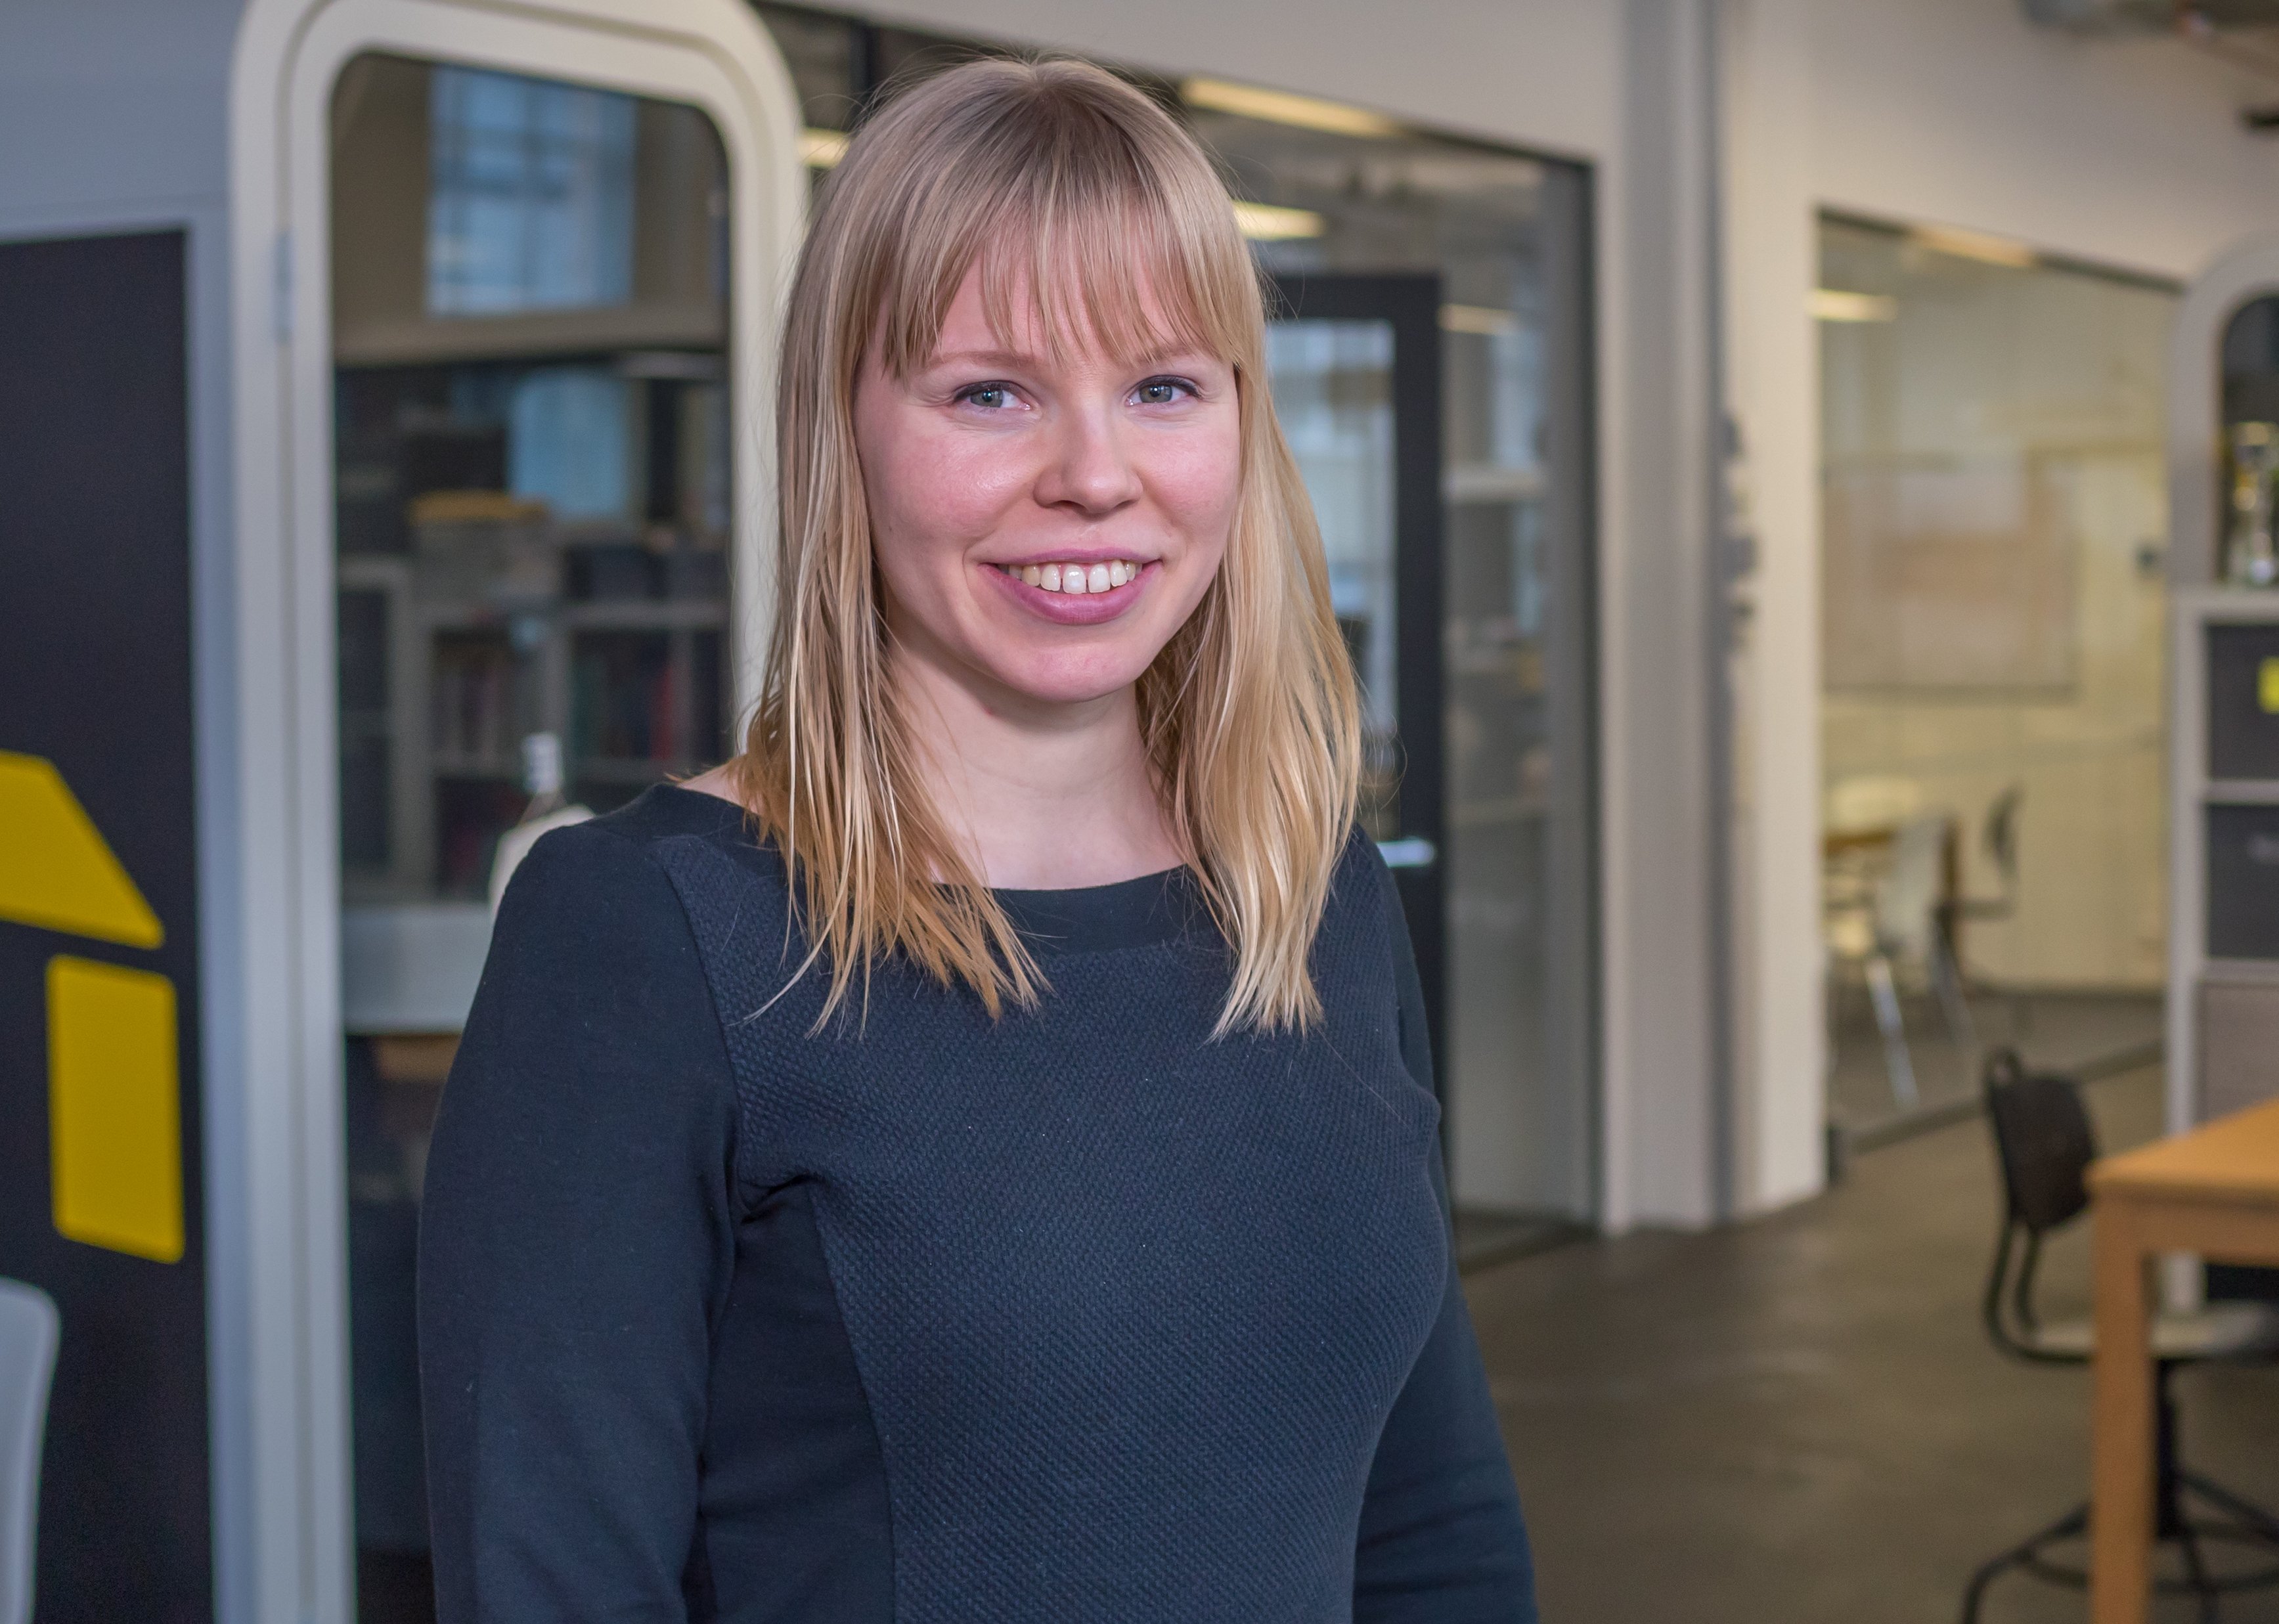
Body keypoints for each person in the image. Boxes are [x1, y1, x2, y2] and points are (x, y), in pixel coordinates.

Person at [418, 55, 1536, 1624]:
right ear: (845, 430)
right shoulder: (653, 934)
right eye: (988, 392)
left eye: (1163, 385)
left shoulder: (1312, 889)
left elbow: (1429, 1528)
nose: (1094, 476)